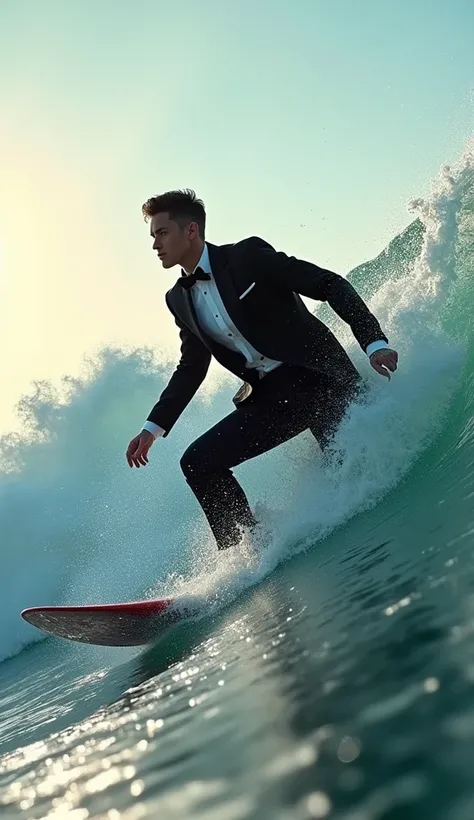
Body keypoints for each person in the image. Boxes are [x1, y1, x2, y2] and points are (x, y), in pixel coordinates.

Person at [126, 189, 398, 550]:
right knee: (197, 462)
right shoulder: (178, 298)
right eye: (152, 236)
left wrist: (374, 343)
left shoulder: (246, 257)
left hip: (318, 379)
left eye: (161, 233)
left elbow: (328, 284)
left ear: (190, 230)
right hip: (272, 399)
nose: (155, 244)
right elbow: (191, 366)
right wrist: (152, 428)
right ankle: (247, 551)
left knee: (352, 480)